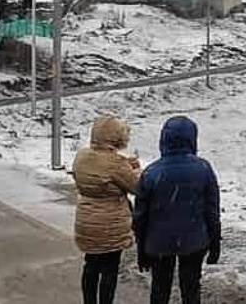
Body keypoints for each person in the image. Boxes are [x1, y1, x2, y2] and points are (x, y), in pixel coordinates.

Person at [133, 116, 221, 304]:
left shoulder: (151, 172)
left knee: (159, 288)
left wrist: (141, 250)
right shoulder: (203, 169)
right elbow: (212, 211)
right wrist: (215, 244)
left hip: (159, 242)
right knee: (191, 289)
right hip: (194, 240)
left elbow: (140, 216)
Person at [73, 115, 141, 304]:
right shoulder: (116, 163)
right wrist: (135, 168)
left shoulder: (82, 156)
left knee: (91, 264)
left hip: (86, 219)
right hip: (110, 224)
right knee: (110, 268)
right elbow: (136, 187)